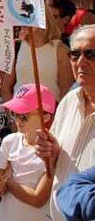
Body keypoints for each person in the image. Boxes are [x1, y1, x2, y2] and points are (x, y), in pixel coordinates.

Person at [35, 25, 95, 220]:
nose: (81, 62)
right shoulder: (68, 101)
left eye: (91, 54)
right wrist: (54, 156)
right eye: (75, 55)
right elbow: (59, 165)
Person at [0, 84, 56, 220]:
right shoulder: (9, 142)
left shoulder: (51, 151)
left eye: (24, 116)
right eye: (14, 114)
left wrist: (7, 181)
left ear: (45, 117)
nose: (17, 120)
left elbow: (37, 200)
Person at [0, 10, 73, 103]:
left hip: (49, 114)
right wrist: (10, 116)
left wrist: (57, 117)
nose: (23, 19)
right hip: (21, 113)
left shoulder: (60, 50)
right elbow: (5, 87)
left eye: (29, 15)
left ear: (43, 18)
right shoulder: (15, 46)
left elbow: (66, 92)